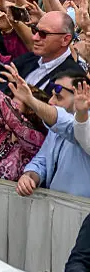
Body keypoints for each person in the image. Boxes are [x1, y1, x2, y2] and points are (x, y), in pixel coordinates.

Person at [13, 69, 90, 198]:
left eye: (58, 97)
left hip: (81, 213)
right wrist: (29, 176)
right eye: (52, 95)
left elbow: (73, 129)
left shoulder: (83, 124)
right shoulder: (55, 128)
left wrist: (31, 101)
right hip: (55, 208)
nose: (51, 102)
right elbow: (42, 161)